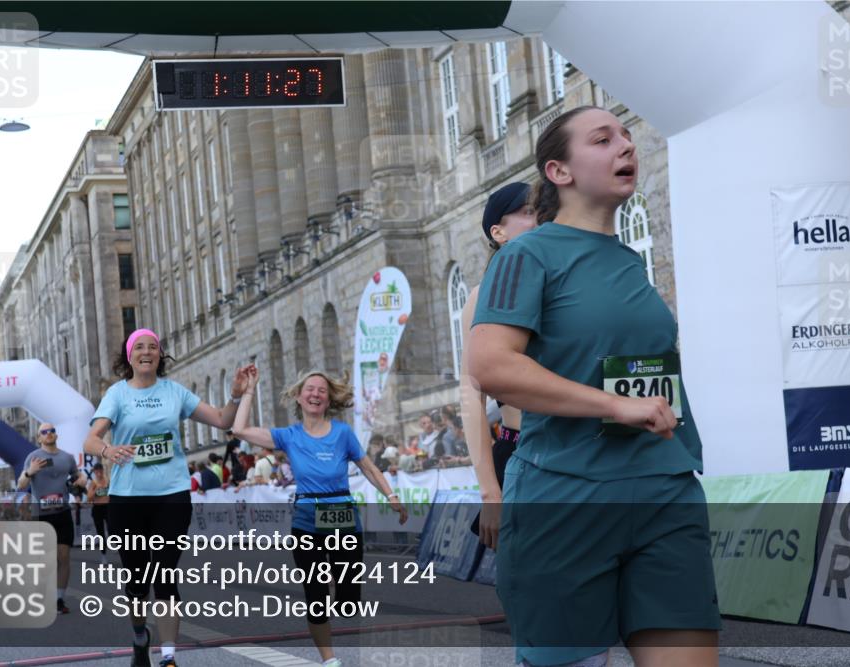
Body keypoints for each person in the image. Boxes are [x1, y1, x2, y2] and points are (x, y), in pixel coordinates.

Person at [467, 106, 720, 667]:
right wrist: (615, 406)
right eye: (604, 139)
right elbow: (492, 367)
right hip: (566, 497)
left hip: (664, 491)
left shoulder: (628, 262)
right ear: (559, 171)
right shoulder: (525, 255)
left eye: (628, 136)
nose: (626, 146)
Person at [83, 328, 251, 667]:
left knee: (165, 573)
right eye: (139, 347)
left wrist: (234, 397)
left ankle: (170, 656)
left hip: (171, 495)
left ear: (160, 355)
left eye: (153, 347)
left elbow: (221, 420)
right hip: (128, 498)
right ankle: (139, 636)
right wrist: (108, 449)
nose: (147, 351)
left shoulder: (174, 391)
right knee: (137, 581)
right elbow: (90, 439)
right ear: (129, 357)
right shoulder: (117, 394)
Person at [233, 367, 407, 667]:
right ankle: (329, 660)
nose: (315, 394)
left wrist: (391, 496)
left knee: (348, 603)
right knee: (316, 598)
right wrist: (248, 392)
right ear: (299, 397)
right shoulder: (288, 436)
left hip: (343, 519)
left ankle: (339, 593)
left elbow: (368, 467)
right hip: (306, 523)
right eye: (310, 389)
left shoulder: (342, 433)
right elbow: (239, 430)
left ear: (328, 401)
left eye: (322, 391)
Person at [459, 186, 538, 544]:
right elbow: (470, 395)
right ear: (498, 232)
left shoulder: (569, 285)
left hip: (588, 451)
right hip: (522, 452)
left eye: (543, 209)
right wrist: (490, 492)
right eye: (527, 211)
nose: (539, 218)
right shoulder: (483, 297)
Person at [18, 422, 86, 614]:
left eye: (52, 431)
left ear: (56, 435)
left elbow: (78, 476)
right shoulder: (33, 458)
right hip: (41, 515)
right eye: (44, 432)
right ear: (39, 437)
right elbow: (21, 484)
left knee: (63, 557)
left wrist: (82, 480)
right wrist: (29, 472)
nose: (49, 434)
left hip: (62, 512)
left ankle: (59, 599)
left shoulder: (67, 458)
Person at [86, 463, 111, 565]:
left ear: (102, 470)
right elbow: (89, 498)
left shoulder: (107, 481)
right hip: (97, 509)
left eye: (100, 471)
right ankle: (103, 555)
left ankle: (111, 539)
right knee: (100, 533)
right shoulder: (93, 483)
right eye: (97, 471)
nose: (99, 473)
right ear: (95, 472)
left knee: (112, 528)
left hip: (108, 507)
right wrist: (95, 490)